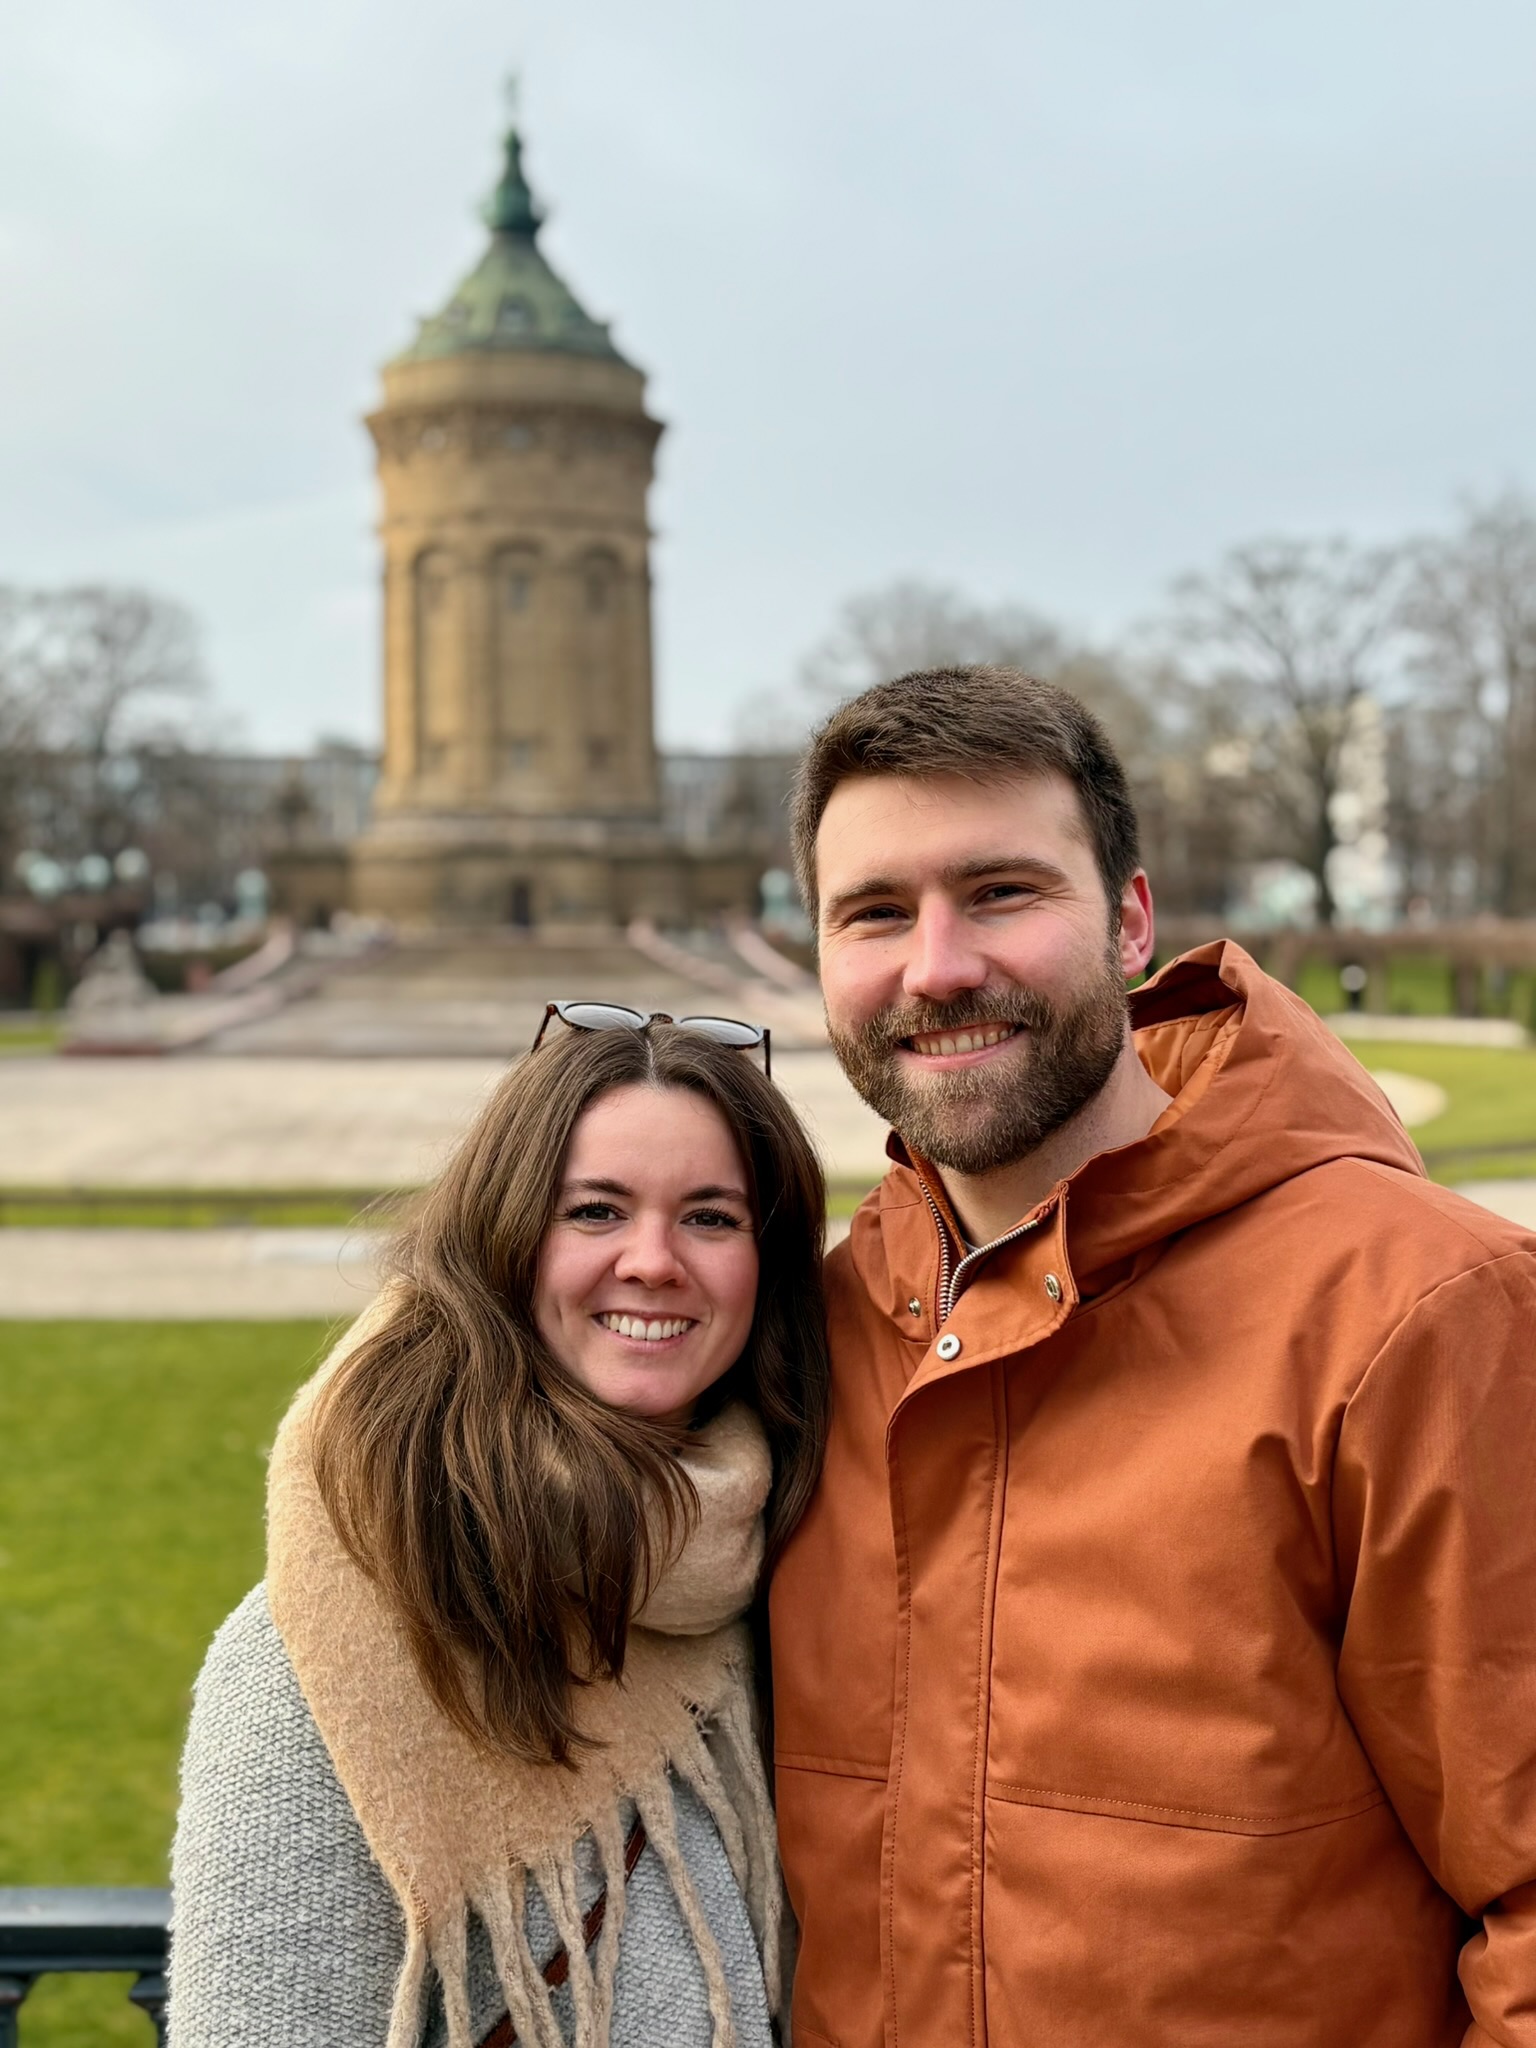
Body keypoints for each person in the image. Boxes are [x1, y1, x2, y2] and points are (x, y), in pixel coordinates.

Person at [769, 665, 1536, 2048]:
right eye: (874, 911)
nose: (938, 966)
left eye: (1001, 891)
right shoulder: (811, 1340)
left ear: (1131, 918)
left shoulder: (1424, 1312)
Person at [169, 1013, 828, 2048]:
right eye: (596, 1210)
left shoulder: (785, 1573)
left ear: (766, 1262)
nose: (653, 1260)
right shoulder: (317, 1653)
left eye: (711, 1216)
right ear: (507, 1241)